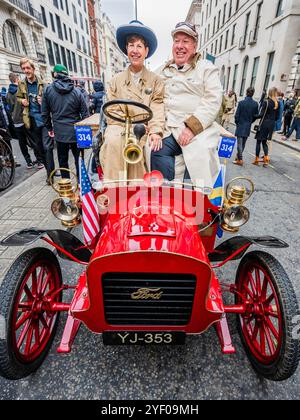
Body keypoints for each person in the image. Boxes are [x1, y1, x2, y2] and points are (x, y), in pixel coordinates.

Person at [151, 22, 222, 188]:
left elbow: (213, 99)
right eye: (177, 41)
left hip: (196, 129)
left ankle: (203, 203)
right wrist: (153, 126)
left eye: (186, 41)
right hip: (168, 127)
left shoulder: (206, 68)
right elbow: (151, 97)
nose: (180, 46)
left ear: (195, 46)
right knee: (153, 149)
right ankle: (163, 198)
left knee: (202, 154)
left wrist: (191, 128)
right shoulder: (161, 70)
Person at [100, 20, 165, 181]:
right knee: (112, 142)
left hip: (144, 129)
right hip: (119, 126)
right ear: (126, 49)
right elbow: (111, 112)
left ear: (146, 51)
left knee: (141, 147)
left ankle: (137, 196)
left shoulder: (156, 80)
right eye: (131, 45)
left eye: (139, 46)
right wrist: (128, 125)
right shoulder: (115, 80)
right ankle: (115, 193)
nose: (135, 50)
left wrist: (156, 131)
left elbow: (157, 107)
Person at [42, 64, 89, 180]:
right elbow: (85, 113)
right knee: (79, 159)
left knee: (63, 161)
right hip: (75, 131)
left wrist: (49, 128)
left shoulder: (48, 90)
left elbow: (44, 113)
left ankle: (66, 187)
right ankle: (81, 184)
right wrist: (82, 130)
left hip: (59, 132)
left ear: (55, 74)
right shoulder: (77, 91)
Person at [17, 57, 55, 181]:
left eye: (28, 68)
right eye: (23, 69)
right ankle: (50, 171)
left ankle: (50, 175)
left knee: (48, 147)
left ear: (33, 69)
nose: (26, 70)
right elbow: (18, 98)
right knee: (39, 149)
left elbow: (51, 102)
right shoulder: (22, 84)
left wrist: (43, 101)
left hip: (44, 120)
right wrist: (21, 101)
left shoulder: (44, 84)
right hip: (31, 120)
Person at [6, 73, 40, 168]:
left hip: (15, 121)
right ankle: (39, 160)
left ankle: (28, 162)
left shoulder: (8, 93)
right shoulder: (20, 90)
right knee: (32, 140)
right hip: (24, 119)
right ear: (17, 79)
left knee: (22, 142)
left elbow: (9, 108)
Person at [253, 87, 279, 168]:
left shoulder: (266, 102)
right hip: (271, 125)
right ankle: (266, 160)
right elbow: (277, 117)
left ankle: (257, 159)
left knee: (258, 141)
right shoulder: (277, 103)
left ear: (269, 93)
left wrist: (253, 116)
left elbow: (261, 115)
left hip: (264, 124)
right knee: (265, 142)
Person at [233, 87, 259, 166]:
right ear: (253, 93)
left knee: (239, 144)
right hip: (248, 125)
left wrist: (237, 122)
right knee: (243, 143)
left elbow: (237, 115)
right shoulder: (255, 104)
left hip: (241, 124)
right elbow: (256, 116)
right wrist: (251, 121)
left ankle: (240, 159)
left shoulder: (241, 103)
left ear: (246, 92)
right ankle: (238, 158)